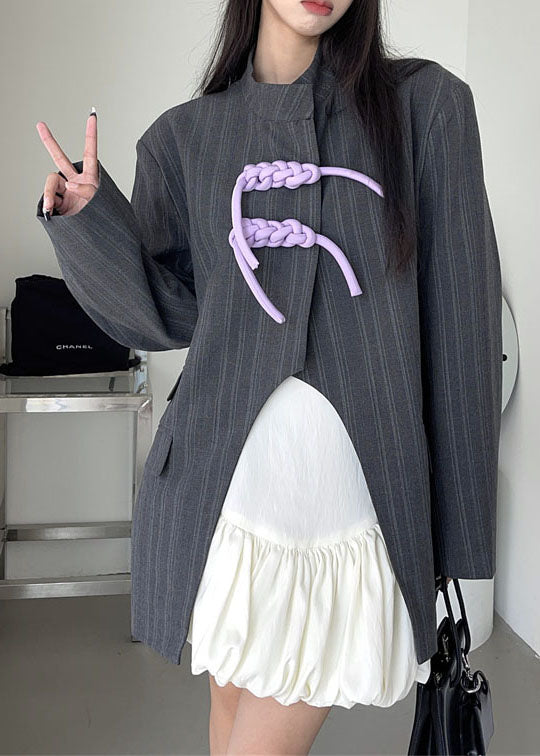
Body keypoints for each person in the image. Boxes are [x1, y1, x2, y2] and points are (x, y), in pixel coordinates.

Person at [36, 1, 502, 753]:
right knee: (228, 725)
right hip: (228, 500)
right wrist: (92, 221)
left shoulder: (428, 107)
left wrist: (457, 535)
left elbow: (463, 328)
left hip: (346, 515)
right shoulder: (183, 138)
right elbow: (164, 316)